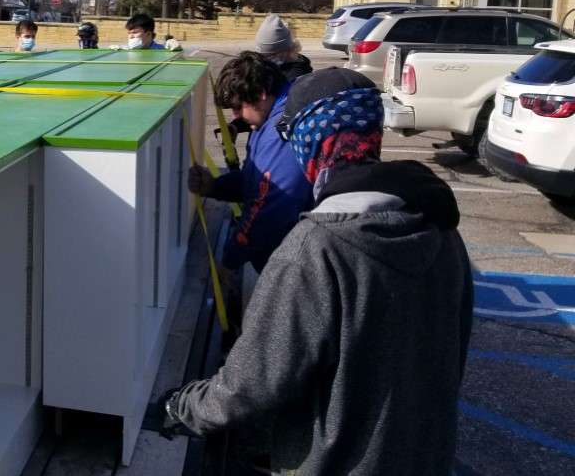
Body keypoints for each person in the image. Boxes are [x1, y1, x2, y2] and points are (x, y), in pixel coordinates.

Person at [158, 68, 473, 476]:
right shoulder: (442, 231)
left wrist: (180, 407)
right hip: (425, 457)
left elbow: (251, 384)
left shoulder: (315, 250)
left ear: (309, 142)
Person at [189, 52, 312, 273]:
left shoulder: (280, 132)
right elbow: (253, 181)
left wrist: (230, 259)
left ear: (261, 93)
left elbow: (270, 208)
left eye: (238, 106)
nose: (235, 116)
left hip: (293, 266)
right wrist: (216, 186)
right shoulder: (269, 118)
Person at [255, 14, 312, 82]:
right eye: (263, 56)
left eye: (271, 55)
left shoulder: (295, 77)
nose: (266, 59)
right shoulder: (268, 69)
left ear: (287, 50)